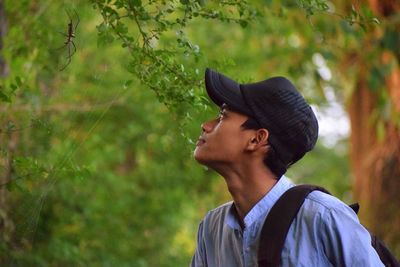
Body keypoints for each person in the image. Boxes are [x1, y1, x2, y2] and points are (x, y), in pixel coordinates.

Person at [190, 68, 384, 266]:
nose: (206, 125)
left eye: (222, 116)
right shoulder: (211, 229)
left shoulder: (323, 216)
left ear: (256, 139)